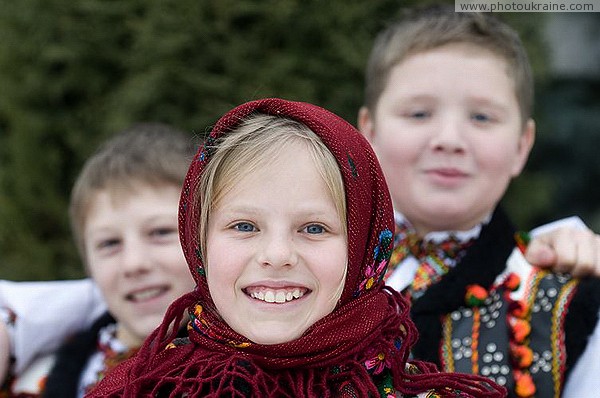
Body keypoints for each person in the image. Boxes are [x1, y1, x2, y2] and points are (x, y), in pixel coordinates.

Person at [88, 98, 507, 397]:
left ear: (364, 250)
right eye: (244, 225)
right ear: (199, 244)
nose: (277, 254)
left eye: (313, 228)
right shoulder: (141, 388)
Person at [356, 5, 600, 397]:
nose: (449, 139)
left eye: (482, 118)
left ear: (522, 146)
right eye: (419, 113)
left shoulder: (570, 299)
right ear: (369, 132)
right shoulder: (311, 273)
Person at [0, 123, 197, 397]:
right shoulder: (31, 377)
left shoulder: (244, 373)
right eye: (109, 244)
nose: (133, 263)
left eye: (160, 232)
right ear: (88, 263)